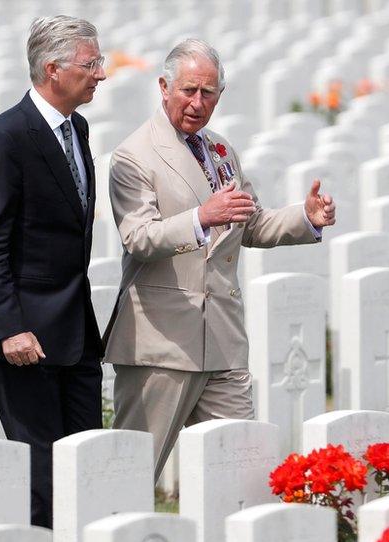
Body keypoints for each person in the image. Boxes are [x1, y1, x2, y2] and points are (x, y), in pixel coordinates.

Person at [104, 38, 337, 478]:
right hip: (163, 343)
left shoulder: (221, 150)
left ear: (220, 95)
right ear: (163, 87)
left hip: (224, 339)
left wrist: (304, 218)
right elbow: (138, 238)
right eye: (188, 90)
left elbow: (249, 224)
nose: (197, 103)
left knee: (242, 470)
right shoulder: (133, 156)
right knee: (132, 475)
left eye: (207, 93)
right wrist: (200, 218)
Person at [0, 15, 106, 528]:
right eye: (91, 64)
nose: (102, 74)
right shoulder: (5, 138)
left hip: (73, 326)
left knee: (88, 460)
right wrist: (9, 327)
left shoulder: (78, 128)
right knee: (42, 476)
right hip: (22, 333)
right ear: (53, 69)